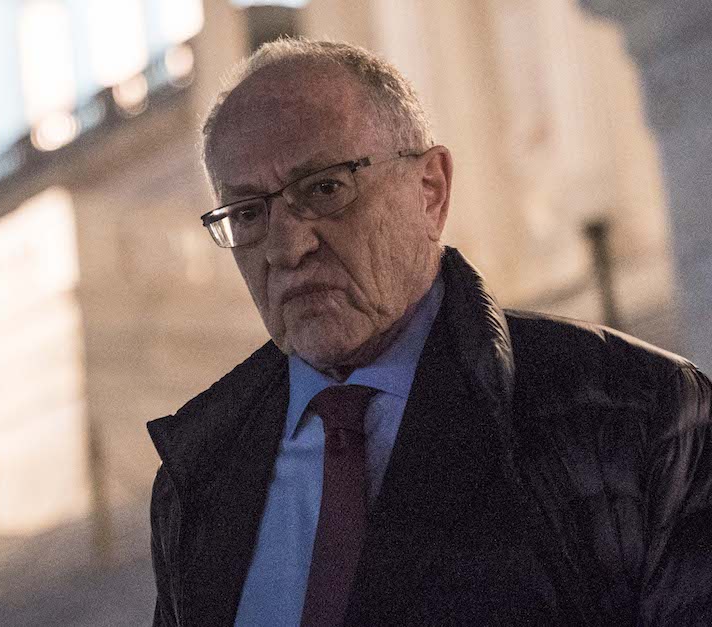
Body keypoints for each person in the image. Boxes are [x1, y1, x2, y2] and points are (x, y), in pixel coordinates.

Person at [147, 38, 712, 626]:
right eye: (247, 214)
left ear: (431, 190)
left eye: (324, 189)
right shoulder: (197, 480)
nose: (288, 248)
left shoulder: (645, 413)